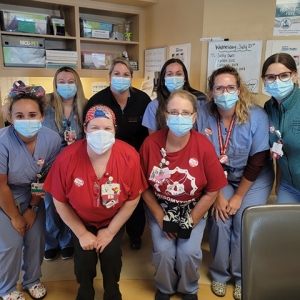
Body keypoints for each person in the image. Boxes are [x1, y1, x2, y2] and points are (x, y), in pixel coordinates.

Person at [43, 105, 147, 300]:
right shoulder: (67, 158)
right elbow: (59, 200)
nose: (101, 133)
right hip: (80, 221)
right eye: (94, 128)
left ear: (115, 129)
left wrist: (110, 231)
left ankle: (112, 290)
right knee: (84, 259)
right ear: (85, 128)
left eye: (107, 128)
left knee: (111, 256)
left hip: (112, 220)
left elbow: (133, 198)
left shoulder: (129, 156)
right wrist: (82, 233)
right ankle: (85, 290)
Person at [140, 90, 227, 300]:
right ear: (165, 115)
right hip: (160, 207)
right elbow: (142, 186)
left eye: (186, 113)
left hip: (193, 207)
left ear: (194, 118)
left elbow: (213, 189)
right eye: (174, 112)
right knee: (163, 251)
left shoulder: (203, 147)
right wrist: (161, 218)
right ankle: (165, 288)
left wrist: (191, 220)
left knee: (188, 252)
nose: (179, 118)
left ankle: (188, 288)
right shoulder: (151, 145)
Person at [196, 65, 274, 300]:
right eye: (219, 87)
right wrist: (217, 194)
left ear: (239, 90)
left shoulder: (256, 115)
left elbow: (257, 160)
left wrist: (238, 196)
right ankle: (220, 274)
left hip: (254, 177)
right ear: (211, 92)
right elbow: (200, 155)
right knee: (220, 219)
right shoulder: (201, 113)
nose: (225, 91)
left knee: (243, 218)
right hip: (219, 177)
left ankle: (242, 276)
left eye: (230, 87)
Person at [0, 83, 61, 300]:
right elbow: (1, 185)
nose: (26, 120)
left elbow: (44, 177)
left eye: (32, 114)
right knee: (11, 243)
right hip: (5, 196)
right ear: (10, 117)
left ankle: (32, 280)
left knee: (36, 238)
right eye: (20, 115)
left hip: (34, 192)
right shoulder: (2, 141)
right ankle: (6, 288)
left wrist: (33, 208)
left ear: (43, 116)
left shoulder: (52, 140)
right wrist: (15, 217)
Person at [84, 57, 151, 250]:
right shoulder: (98, 101)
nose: (121, 78)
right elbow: (90, 131)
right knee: (110, 196)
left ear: (131, 77)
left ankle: (135, 234)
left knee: (134, 197)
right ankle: (108, 232)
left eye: (126, 74)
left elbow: (147, 133)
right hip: (105, 157)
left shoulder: (142, 100)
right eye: (117, 74)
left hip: (134, 159)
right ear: (109, 77)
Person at [42, 66, 87, 261]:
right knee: (50, 205)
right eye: (62, 81)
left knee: (71, 204)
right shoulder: (44, 105)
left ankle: (67, 241)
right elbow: (10, 109)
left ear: (77, 83)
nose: (66, 85)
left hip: (76, 163)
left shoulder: (85, 106)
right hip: (50, 164)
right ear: (55, 83)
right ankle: (50, 241)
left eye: (71, 81)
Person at [261, 53, 300, 203]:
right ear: (264, 81)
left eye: (283, 75)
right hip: (289, 185)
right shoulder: (268, 107)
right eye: (270, 77)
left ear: (294, 76)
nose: (277, 81)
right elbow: (279, 147)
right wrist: (278, 182)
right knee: (284, 225)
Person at [142, 58, 208, 134]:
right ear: (163, 80)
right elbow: (153, 139)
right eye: (169, 74)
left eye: (178, 74)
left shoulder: (200, 101)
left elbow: (207, 130)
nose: (174, 78)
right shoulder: (154, 106)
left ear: (185, 78)